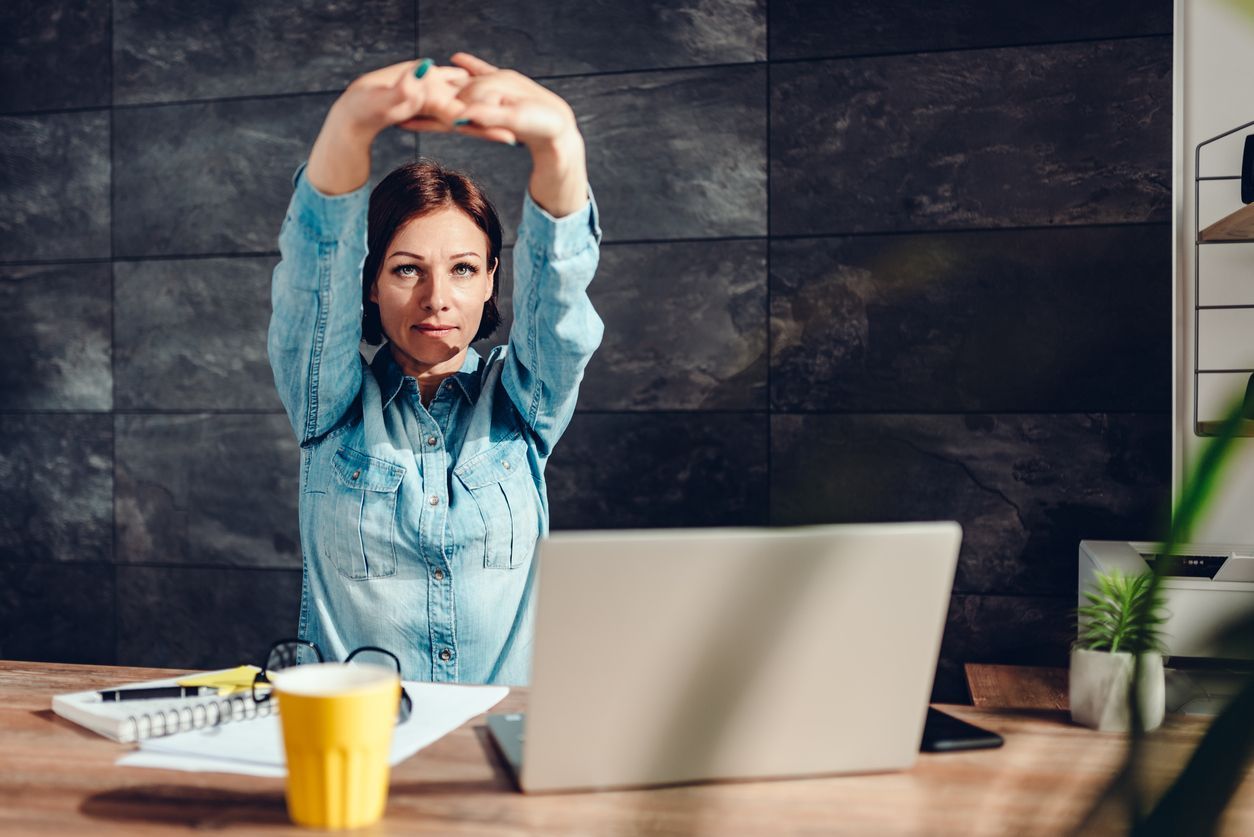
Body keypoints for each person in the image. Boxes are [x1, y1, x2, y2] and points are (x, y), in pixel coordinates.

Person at [267, 53, 602, 685]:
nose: (436, 298)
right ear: (369, 284)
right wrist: (347, 128)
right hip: (363, 738)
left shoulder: (523, 408)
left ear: (489, 282)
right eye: (405, 269)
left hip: (500, 747)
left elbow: (559, 303)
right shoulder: (330, 410)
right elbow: (312, 284)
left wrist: (559, 141)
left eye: (463, 269)